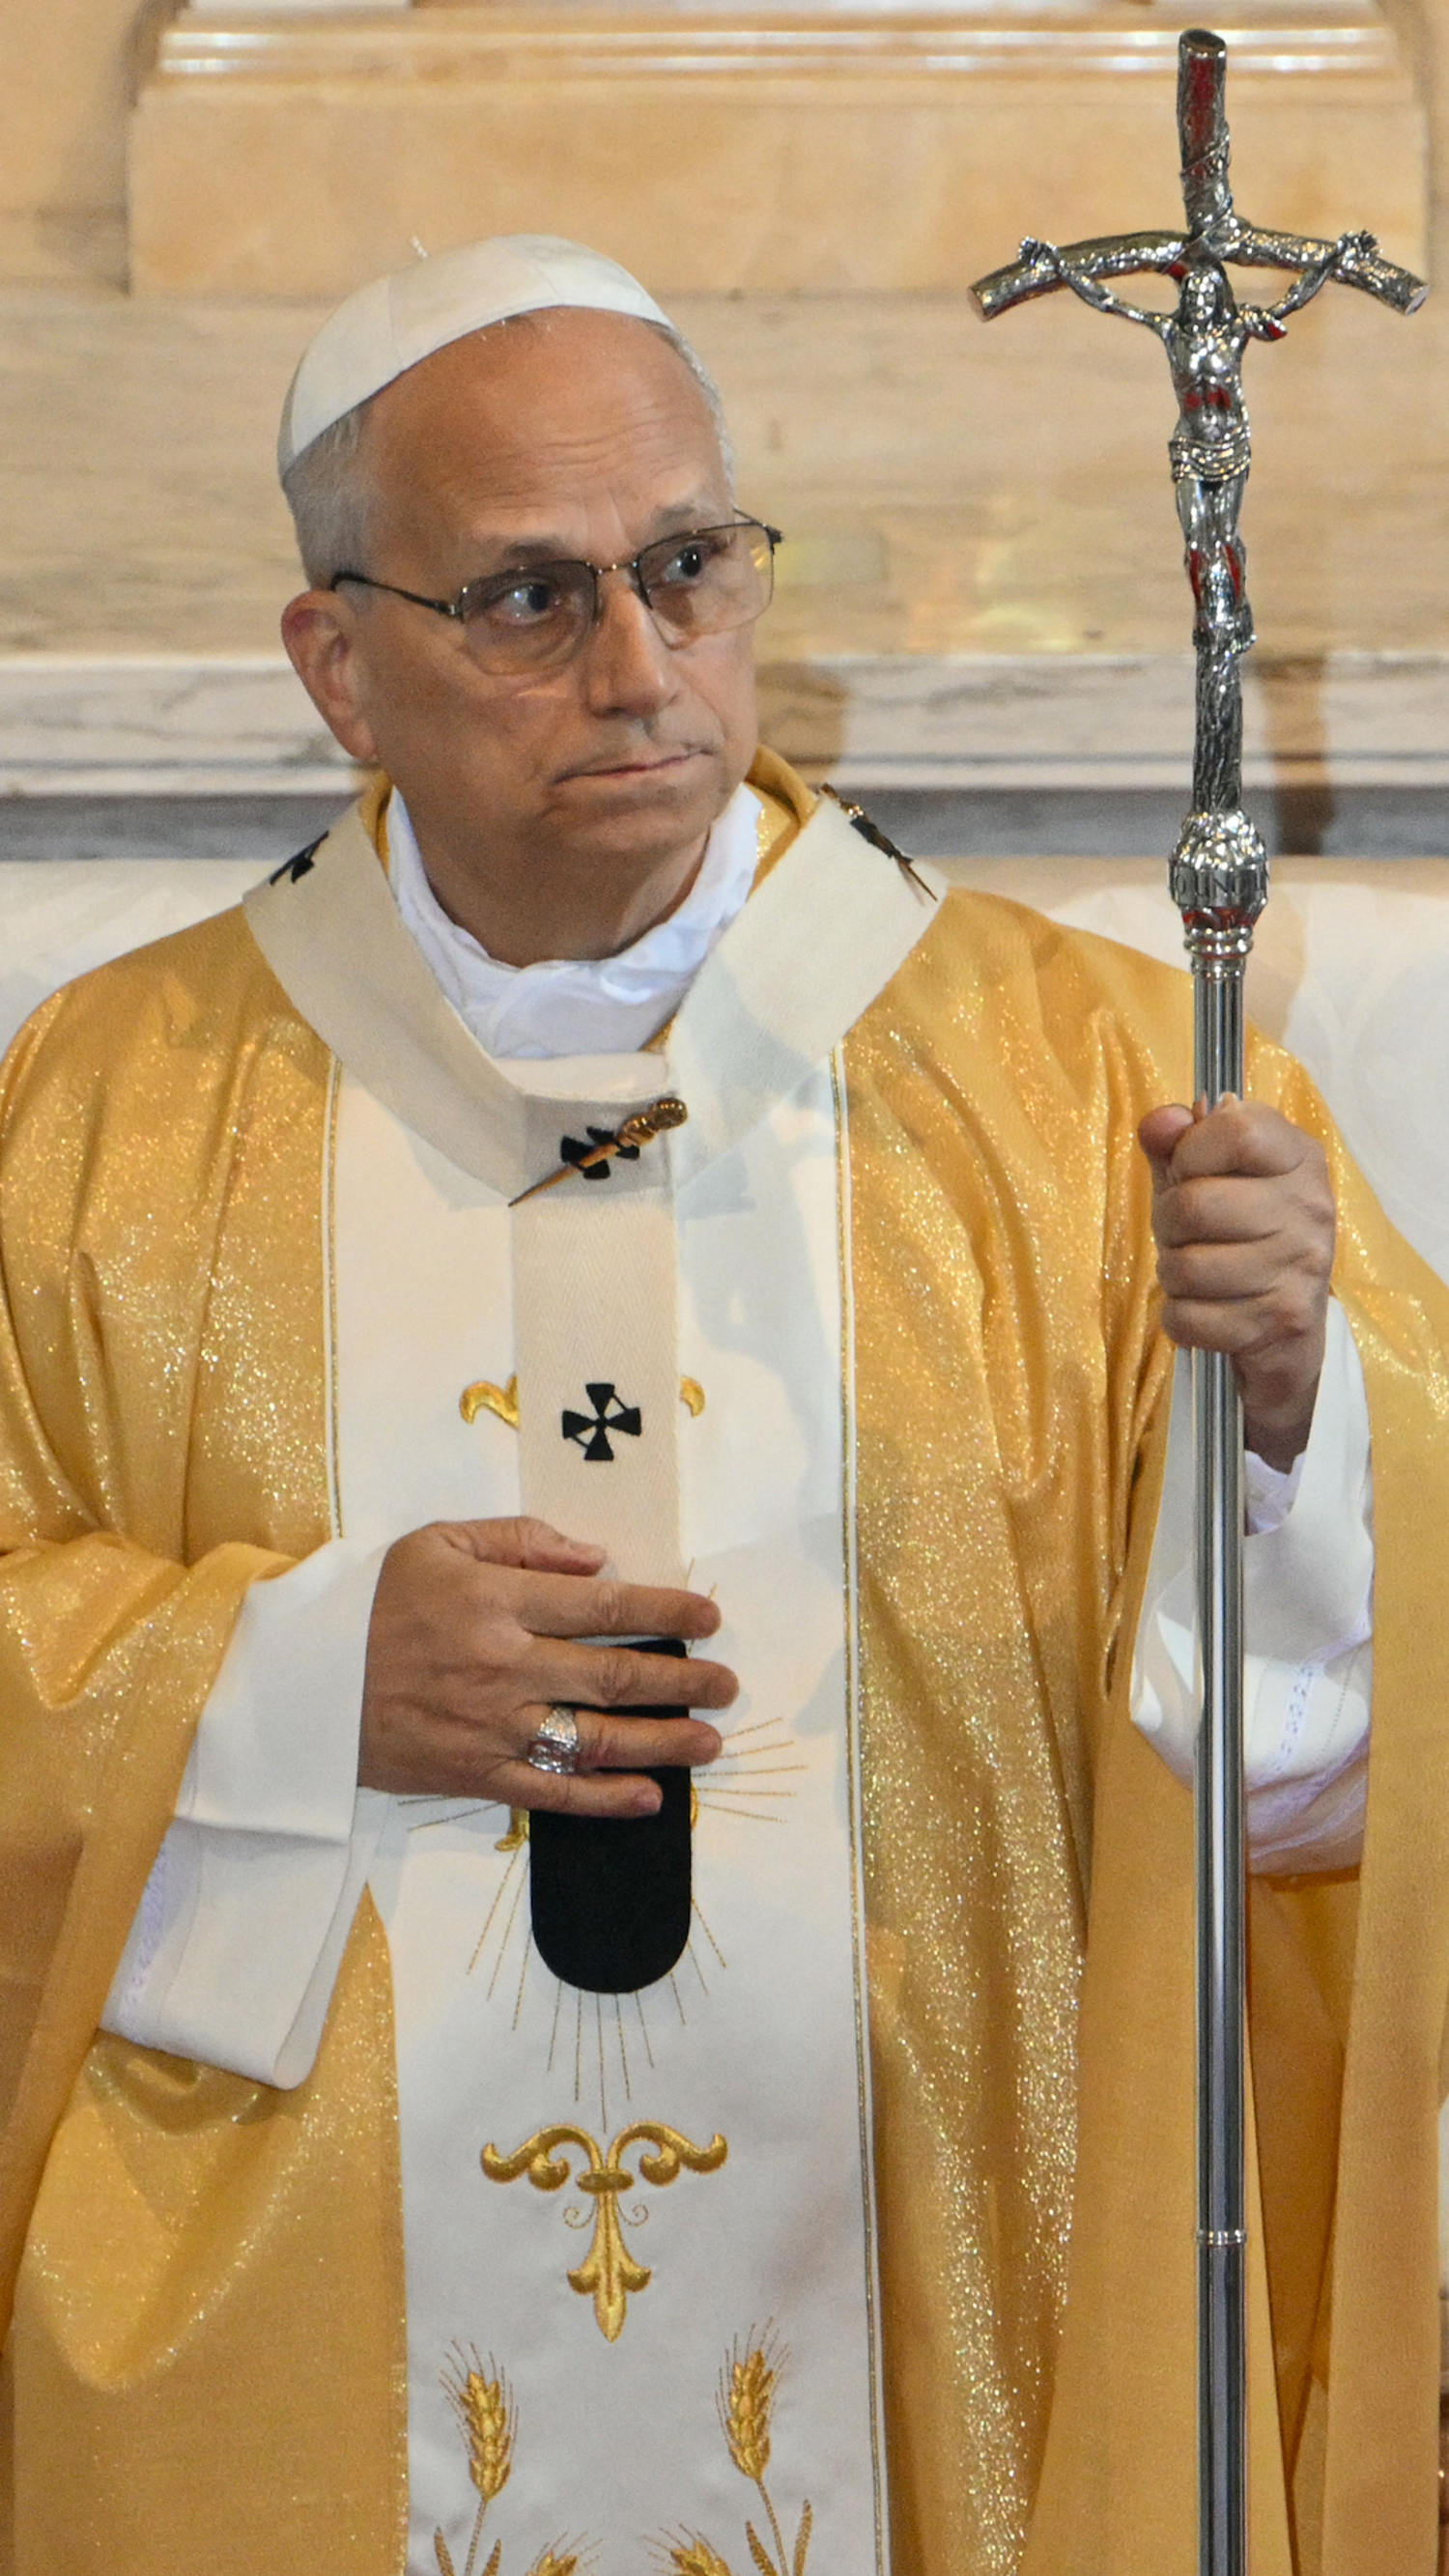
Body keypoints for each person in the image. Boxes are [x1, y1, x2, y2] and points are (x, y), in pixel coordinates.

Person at [1, 235, 1445, 2576]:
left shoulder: (1088, 1083)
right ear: (338, 665)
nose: (641, 664)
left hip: (955, 2320)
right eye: (529, 595)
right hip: (278, 2344)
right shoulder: (108, 1111)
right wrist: (287, 1678)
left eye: (689, 563)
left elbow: (1326, 1761)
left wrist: (1288, 1417)